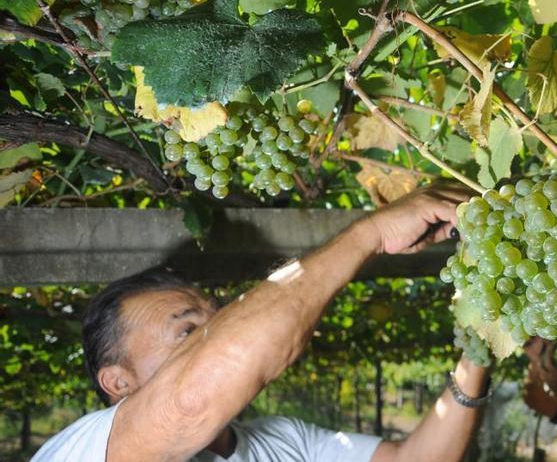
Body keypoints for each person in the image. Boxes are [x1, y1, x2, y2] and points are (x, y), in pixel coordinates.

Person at [33, 186, 493, 462]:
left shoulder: (282, 440)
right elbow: (188, 403)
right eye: (190, 332)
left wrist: (479, 345)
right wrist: (369, 234)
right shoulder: (83, 451)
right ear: (118, 381)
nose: (221, 336)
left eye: (219, 321)